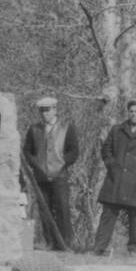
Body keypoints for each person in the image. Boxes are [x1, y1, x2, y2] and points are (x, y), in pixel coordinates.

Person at [93, 100, 136, 256]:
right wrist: (111, 165)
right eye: (131, 111)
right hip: (115, 179)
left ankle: (134, 248)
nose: (133, 114)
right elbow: (106, 150)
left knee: (135, 216)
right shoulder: (117, 130)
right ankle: (99, 248)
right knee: (108, 214)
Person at [23, 96, 80, 251]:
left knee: (62, 209)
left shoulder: (67, 127)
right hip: (40, 176)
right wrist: (35, 164)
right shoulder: (34, 129)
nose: (44, 114)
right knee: (44, 210)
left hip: (60, 176)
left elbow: (73, 151)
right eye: (41, 111)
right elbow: (27, 151)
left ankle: (65, 243)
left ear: (55, 110)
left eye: (47, 110)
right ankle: (50, 242)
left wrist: (63, 162)